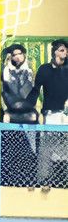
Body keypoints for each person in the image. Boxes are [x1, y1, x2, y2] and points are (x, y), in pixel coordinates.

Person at [29, 40, 68, 189]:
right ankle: (44, 180)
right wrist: (30, 109)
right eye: (62, 50)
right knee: (47, 147)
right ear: (55, 52)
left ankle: (64, 179)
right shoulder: (45, 69)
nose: (65, 52)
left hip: (66, 113)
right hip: (51, 113)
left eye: (66, 50)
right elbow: (35, 90)